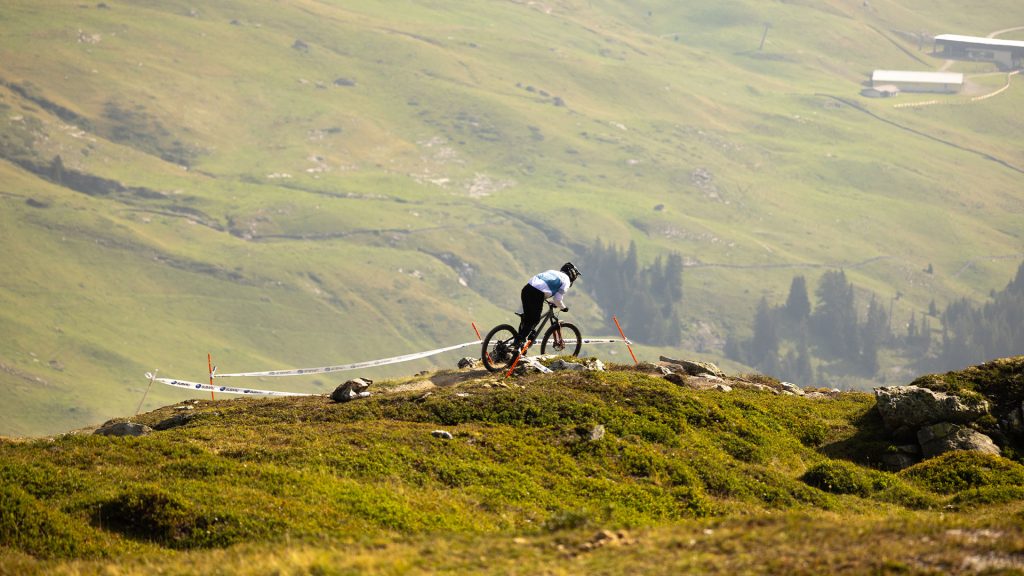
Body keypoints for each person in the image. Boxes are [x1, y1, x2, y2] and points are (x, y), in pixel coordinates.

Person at [513, 262, 581, 351]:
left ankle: (517, 344)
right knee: (534, 319)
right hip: (537, 293)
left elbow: (544, 286)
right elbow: (558, 299)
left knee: (528, 319)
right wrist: (563, 308)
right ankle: (518, 343)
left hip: (527, 289)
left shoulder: (552, 271)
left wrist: (551, 301)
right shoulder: (566, 280)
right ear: (572, 274)